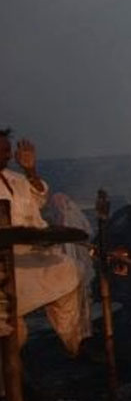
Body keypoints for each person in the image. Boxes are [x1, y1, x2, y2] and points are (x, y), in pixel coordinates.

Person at [0, 130, 88, 355]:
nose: (7, 156)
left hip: (29, 255)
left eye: (8, 151)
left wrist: (30, 170)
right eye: (2, 151)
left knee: (69, 270)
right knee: (14, 332)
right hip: (3, 265)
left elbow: (39, 198)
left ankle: (75, 343)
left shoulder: (15, 178)